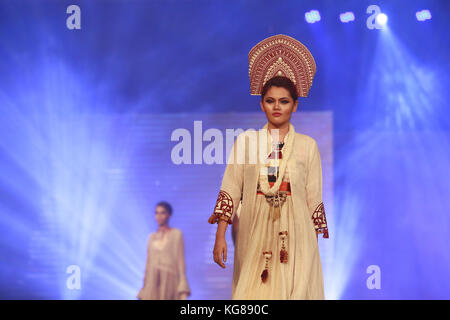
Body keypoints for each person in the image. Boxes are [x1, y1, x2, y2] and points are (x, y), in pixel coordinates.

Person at [208, 34, 329, 300]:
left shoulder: (308, 145)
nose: (277, 106)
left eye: (284, 101)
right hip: (255, 227)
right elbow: (231, 188)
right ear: (261, 103)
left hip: (297, 233)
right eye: (271, 100)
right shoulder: (246, 141)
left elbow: (313, 199)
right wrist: (220, 236)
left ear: (295, 106)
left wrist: (311, 252)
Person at [138, 201, 190, 300]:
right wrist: (144, 285)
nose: (159, 216)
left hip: (169, 279)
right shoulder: (152, 237)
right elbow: (148, 263)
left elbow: (180, 260)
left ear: (169, 215)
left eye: (162, 213)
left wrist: (182, 283)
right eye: (156, 213)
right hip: (152, 280)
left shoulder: (176, 234)